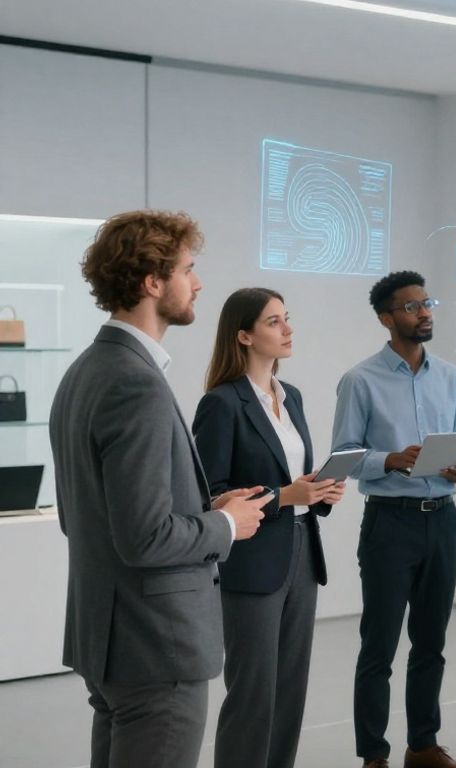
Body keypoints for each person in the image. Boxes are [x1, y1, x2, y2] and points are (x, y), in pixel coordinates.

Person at [48, 210, 271, 768]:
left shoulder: (84, 372)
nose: (196, 283)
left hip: (110, 636)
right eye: (188, 270)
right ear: (153, 282)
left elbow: (89, 516)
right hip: (157, 645)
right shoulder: (135, 384)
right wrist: (225, 525)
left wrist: (201, 508)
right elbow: (144, 537)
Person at [193, 287, 347, 768]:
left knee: (289, 692)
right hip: (251, 561)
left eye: (287, 318)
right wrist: (285, 496)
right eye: (274, 322)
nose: (288, 329)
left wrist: (317, 493)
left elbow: (293, 472)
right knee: (253, 693)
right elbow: (209, 494)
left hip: (302, 552)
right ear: (244, 335)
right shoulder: (221, 404)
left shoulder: (291, 396)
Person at [332, 271, 456, 768]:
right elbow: (343, 456)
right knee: (379, 646)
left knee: (431, 643)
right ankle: (374, 757)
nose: (424, 312)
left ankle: (423, 746)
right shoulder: (359, 380)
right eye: (412, 306)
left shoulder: (451, 377)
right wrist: (392, 460)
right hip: (389, 524)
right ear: (386, 318)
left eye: (426, 302)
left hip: (443, 519)